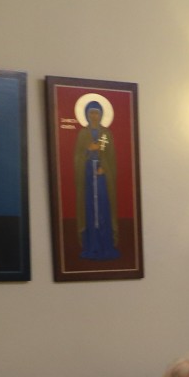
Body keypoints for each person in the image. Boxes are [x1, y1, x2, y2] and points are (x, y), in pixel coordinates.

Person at [73, 99, 119, 261]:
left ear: (101, 115)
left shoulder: (107, 134)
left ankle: (106, 244)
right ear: (86, 115)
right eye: (91, 113)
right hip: (87, 176)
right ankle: (91, 245)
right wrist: (88, 150)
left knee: (103, 208)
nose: (94, 116)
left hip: (102, 178)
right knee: (90, 209)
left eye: (96, 113)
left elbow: (111, 157)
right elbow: (77, 157)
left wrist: (104, 168)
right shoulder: (83, 134)